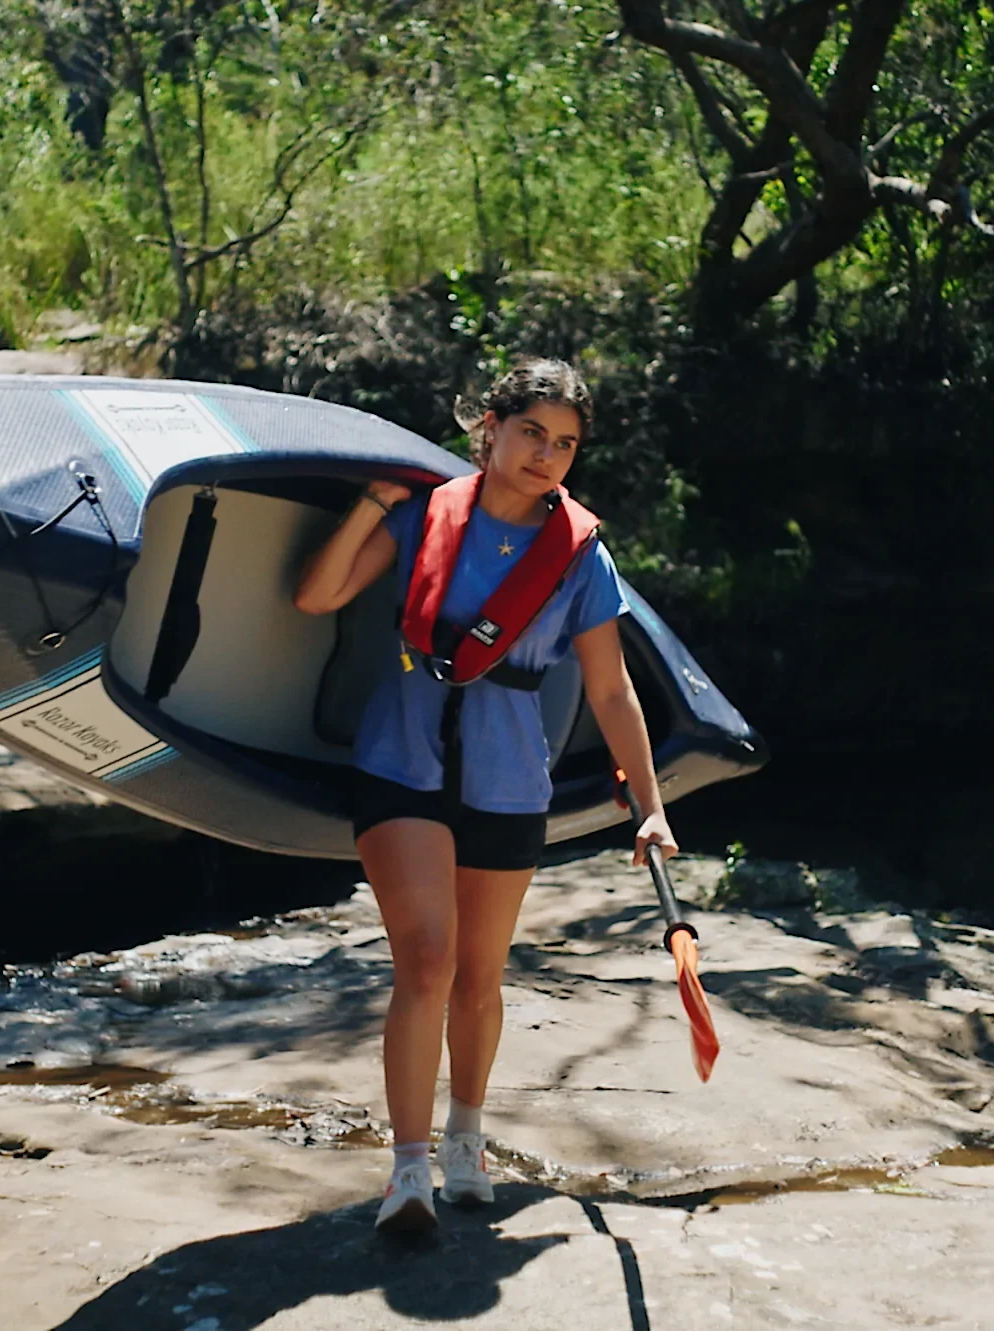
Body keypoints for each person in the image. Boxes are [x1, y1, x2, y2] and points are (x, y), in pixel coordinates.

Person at [293, 357, 679, 1235]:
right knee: (427, 961)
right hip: (400, 765)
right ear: (491, 428)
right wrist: (371, 502)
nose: (546, 454)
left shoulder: (580, 554)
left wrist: (651, 806)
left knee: (477, 979)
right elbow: (315, 596)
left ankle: (465, 1140)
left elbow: (611, 689)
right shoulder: (425, 515)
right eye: (532, 432)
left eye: (565, 443)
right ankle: (408, 1171)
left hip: (508, 782)